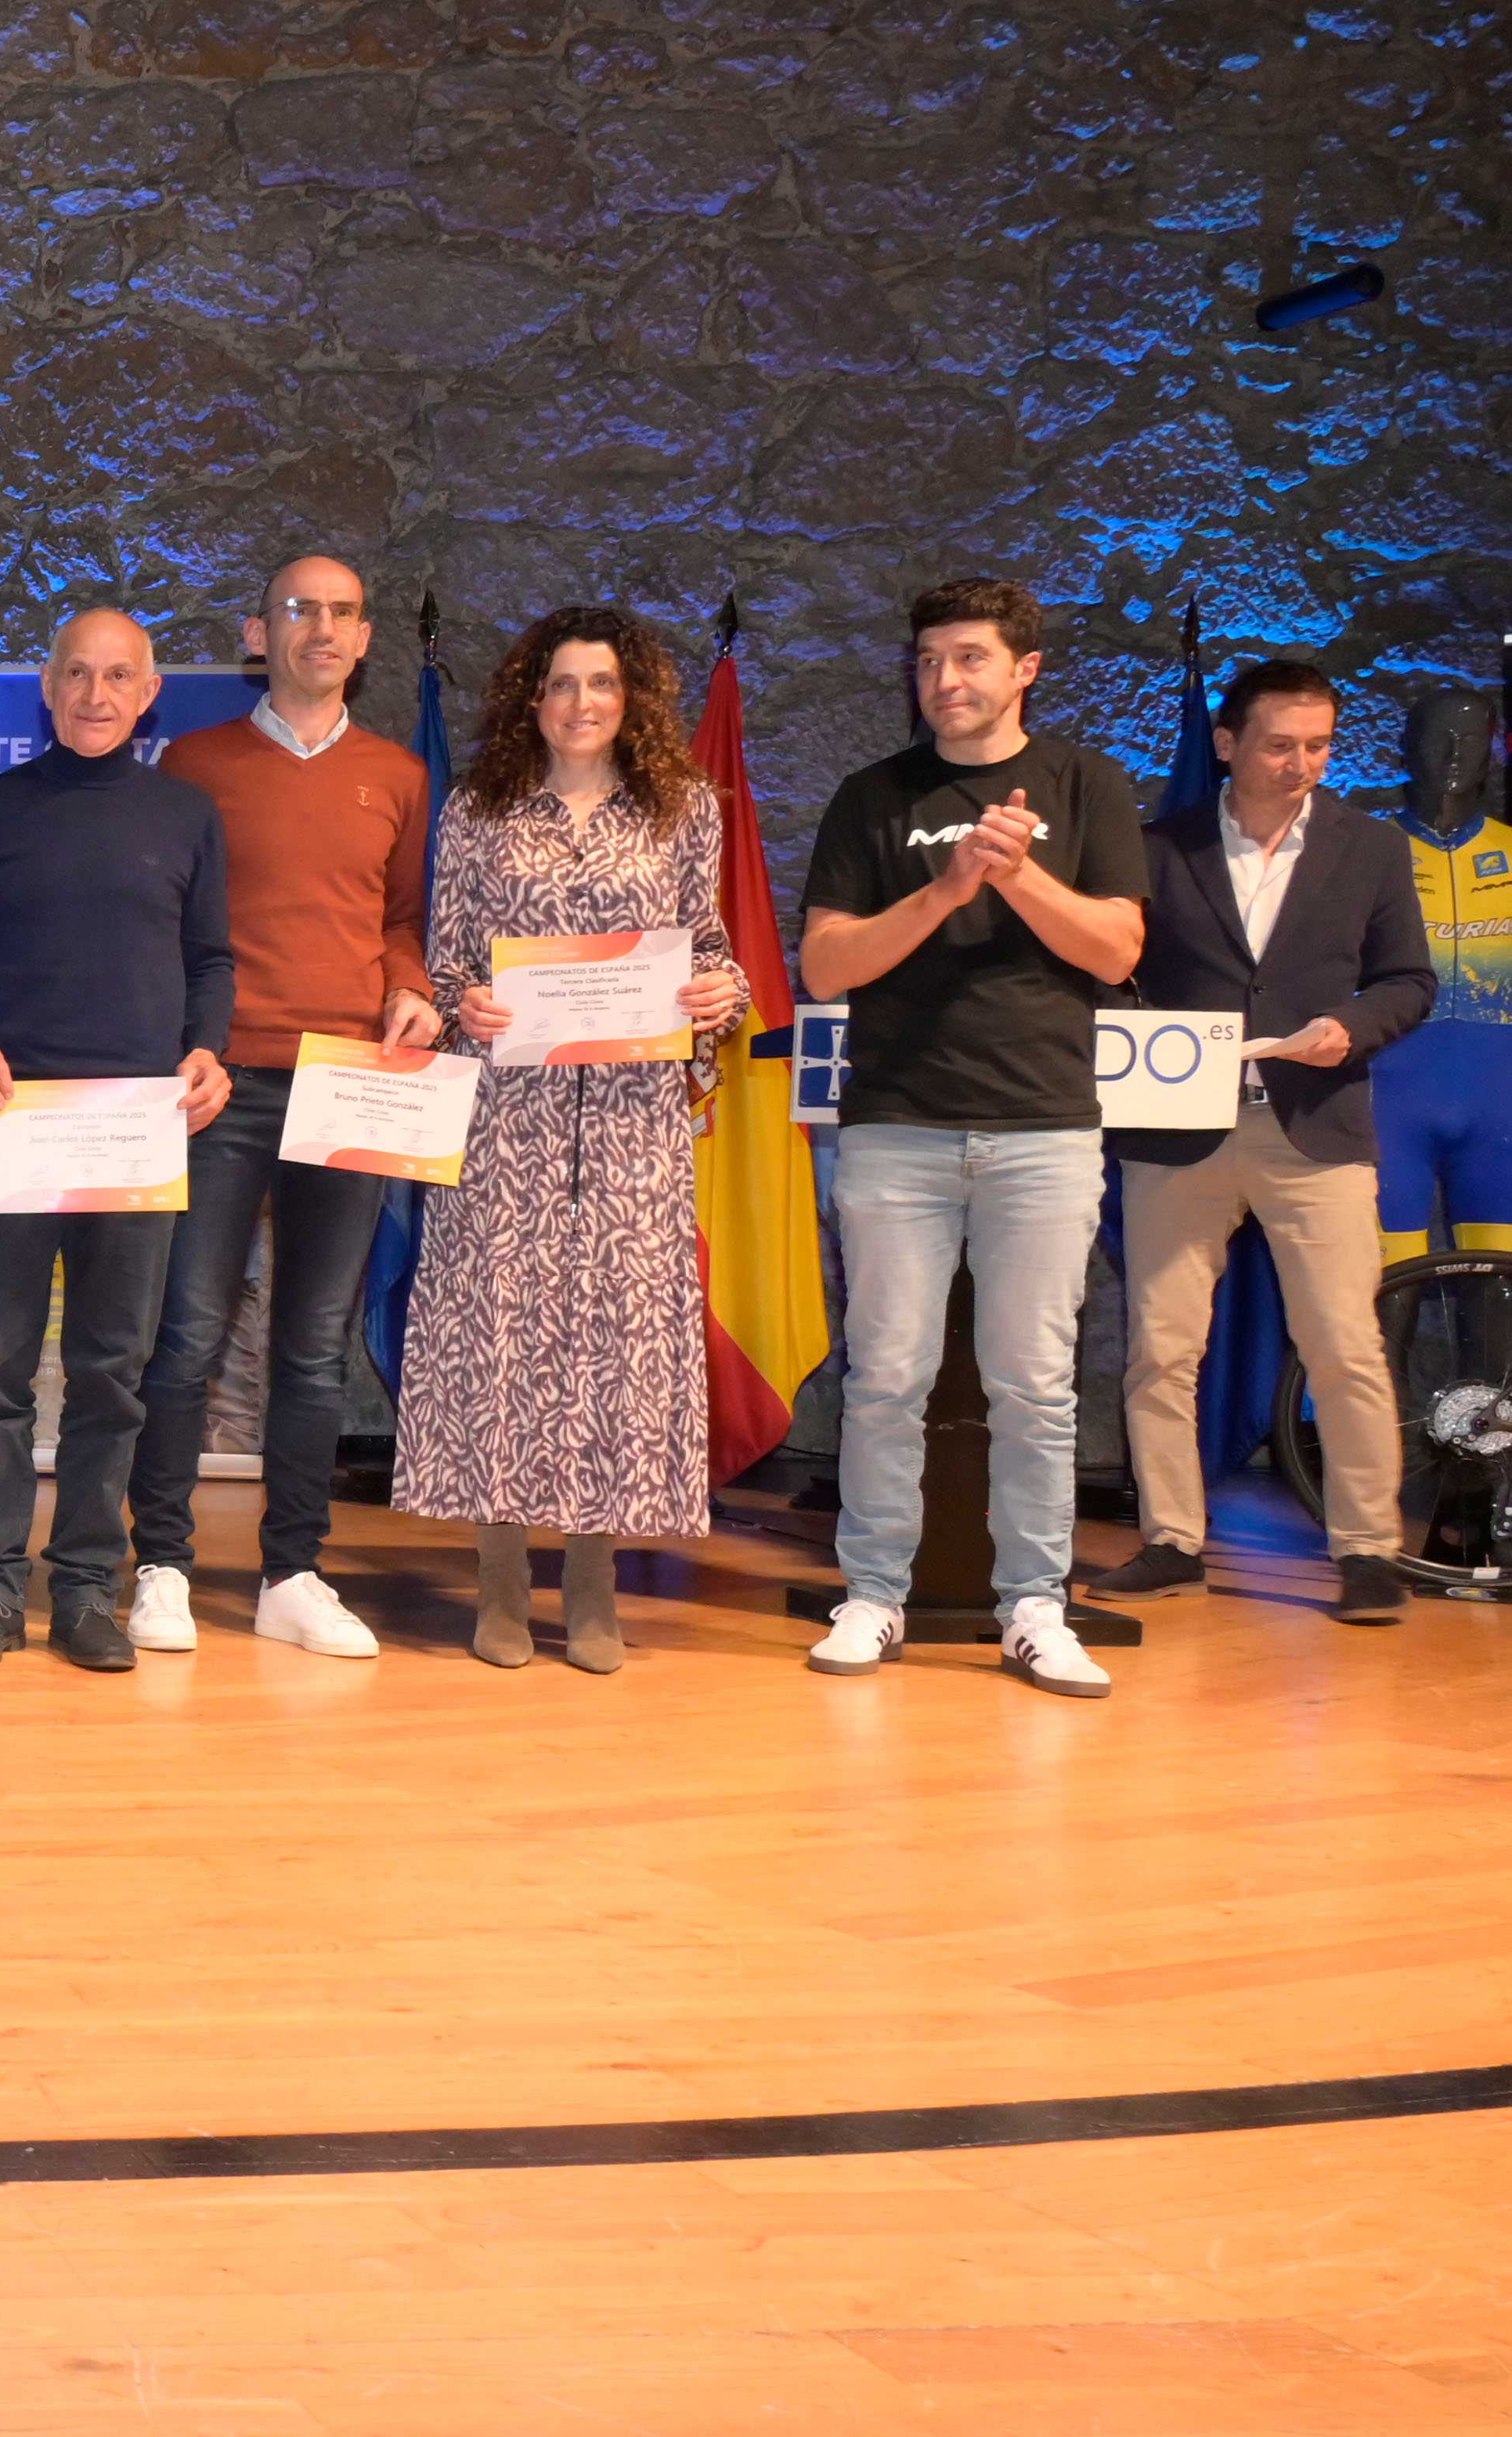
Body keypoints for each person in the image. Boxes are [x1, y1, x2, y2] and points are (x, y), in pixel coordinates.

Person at [796, 576, 1149, 1695]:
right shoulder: (871, 796)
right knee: (885, 1377)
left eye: (967, 659)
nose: (943, 681)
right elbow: (824, 966)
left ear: (1022, 669)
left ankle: (1034, 1608)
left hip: (1041, 1130)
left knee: (1033, 1385)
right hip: (895, 1127)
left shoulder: (1086, 784)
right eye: (927, 661)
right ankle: (871, 1598)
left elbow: (1113, 951)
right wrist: (948, 888)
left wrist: (1018, 873)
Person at [391, 608, 752, 1670]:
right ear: (529, 700)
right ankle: (499, 1578)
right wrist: (468, 1003)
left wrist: (713, 993)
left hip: (634, 1132)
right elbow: (447, 961)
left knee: (612, 1348)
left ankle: (590, 1582)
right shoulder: (478, 809)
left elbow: (715, 955)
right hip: (508, 1127)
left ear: (630, 698)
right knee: (502, 1341)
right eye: (559, 684)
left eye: (600, 684)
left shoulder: (682, 810)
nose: (580, 703)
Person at [0, 606, 235, 1673]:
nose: (94, 696)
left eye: (117, 677)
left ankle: (88, 1585)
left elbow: (210, 961)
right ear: (45, 691)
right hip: (7, 1126)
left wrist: (205, 1050)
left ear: (148, 695)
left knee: (109, 1370)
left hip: (132, 1134)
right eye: (76, 675)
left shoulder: (185, 816)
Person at [128, 555, 438, 1663]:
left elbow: (401, 918)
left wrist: (410, 986)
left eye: (342, 612)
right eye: (297, 609)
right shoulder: (194, 765)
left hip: (350, 1082)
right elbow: (161, 920)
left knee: (312, 1346)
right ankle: (159, 1564)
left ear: (363, 639)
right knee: (187, 1333)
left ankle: (290, 1573)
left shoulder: (397, 775)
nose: (320, 628)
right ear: (254, 633)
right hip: (224, 1082)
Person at [1090, 659, 1431, 1625]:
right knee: (1160, 1346)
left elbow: (1407, 980)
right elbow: (1114, 978)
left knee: (1343, 1344)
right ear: (1229, 744)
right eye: (1279, 744)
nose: (1301, 764)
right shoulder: (1158, 849)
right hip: (1177, 1127)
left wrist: (1349, 1027)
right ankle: (1169, 1539)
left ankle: (1366, 1549)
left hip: (1313, 1124)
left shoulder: (1367, 848)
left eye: (1318, 745)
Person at [1375, 685, 1509, 1262]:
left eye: (1471, 740)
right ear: (1404, 748)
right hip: (1386, 1101)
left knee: (1498, 1295)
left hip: (1497, 1107)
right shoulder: (1362, 850)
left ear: (1493, 751)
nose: (1454, 755)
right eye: (1438, 739)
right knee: (1380, 1294)